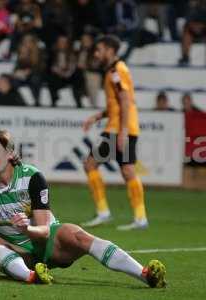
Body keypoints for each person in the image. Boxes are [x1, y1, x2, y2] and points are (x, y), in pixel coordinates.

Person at [0, 129, 166, 289]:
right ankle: (33, 276)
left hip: (47, 243)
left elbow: (45, 231)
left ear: (10, 154)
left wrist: (27, 229)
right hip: (16, 253)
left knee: (76, 234)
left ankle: (145, 274)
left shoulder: (32, 178)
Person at [82, 35, 148, 230]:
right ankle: (139, 218)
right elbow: (117, 104)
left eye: (99, 49)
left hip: (119, 129)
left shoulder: (117, 71)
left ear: (110, 50)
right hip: (120, 127)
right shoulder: (113, 70)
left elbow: (126, 101)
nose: (96, 53)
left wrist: (123, 132)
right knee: (127, 170)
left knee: (91, 164)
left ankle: (105, 213)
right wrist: (98, 116)